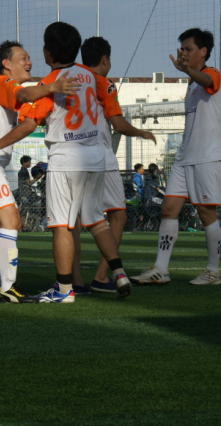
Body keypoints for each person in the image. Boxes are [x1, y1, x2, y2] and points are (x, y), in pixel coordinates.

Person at [0, 22, 132, 302]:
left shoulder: (48, 85)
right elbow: (110, 106)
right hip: (96, 158)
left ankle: (63, 290)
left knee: (61, 225)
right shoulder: (95, 78)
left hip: (66, 157)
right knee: (97, 220)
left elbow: (26, 125)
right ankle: (119, 272)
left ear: (48, 53)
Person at [0, 40, 79, 303]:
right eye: (23, 58)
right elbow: (25, 96)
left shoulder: (1, 88)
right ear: (6, 64)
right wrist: (52, 87)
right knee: (12, 222)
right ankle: (8, 287)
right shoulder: (4, 83)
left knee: (9, 223)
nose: (30, 62)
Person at [130, 28, 221, 286]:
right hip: (184, 157)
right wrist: (188, 75)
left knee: (206, 213)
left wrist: (188, 72)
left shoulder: (211, 74)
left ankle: (213, 272)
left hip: (206, 156)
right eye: (182, 48)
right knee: (168, 209)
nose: (183, 53)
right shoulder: (191, 82)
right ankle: (161, 269)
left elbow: (208, 82)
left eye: (188, 49)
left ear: (203, 52)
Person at [69, 36, 156, 295]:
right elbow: (117, 124)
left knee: (71, 220)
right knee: (117, 215)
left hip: (69, 157)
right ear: (105, 59)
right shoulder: (103, 83)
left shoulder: (68, 79)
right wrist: (141, 132)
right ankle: (101, 275)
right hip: (100, 159)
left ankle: (74, 281)